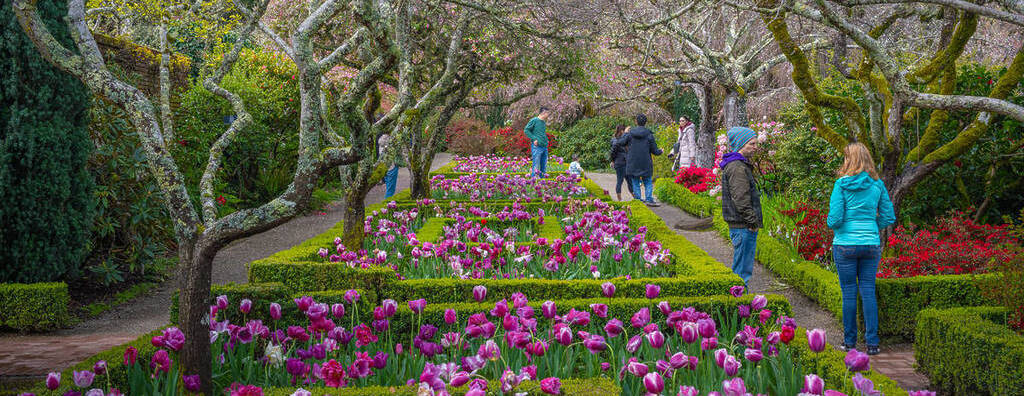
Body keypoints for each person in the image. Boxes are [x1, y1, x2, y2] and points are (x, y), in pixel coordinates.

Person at [826, 142, 895, 356]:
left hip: (845, 244)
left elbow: (835, 219)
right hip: (870, 244)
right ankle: (872, 343)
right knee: (868, 291)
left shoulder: (841, 184)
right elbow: (888, 216)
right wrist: (872, 226)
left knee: (849, 293)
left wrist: (838, 225)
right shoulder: (877, 185)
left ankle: (850, 343)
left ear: (849, 160)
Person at [720, 126, 762, 287]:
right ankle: (739, 300)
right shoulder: (737, 167)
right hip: (743, 226)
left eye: (756, 143)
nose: (755, 147)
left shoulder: (737, 164)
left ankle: (739, 298)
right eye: (752, 144)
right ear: (740, 144)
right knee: (741, 273)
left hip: (741, 225)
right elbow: (741, 199)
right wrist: (752, 222)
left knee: (742, 268)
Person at [618, 114, 662, 206]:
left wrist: (625, 133)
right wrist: (661, 151)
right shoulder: (649, 134)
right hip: (646, 162)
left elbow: (621, 143)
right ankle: (649, 199)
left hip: (633, 162)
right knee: (648, 181)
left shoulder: (630, 134)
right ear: (645, 122)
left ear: (636, 122)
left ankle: (638, 201)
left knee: (635, 181)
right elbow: (655, 151)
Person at [608, 124, 635, 201]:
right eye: (626, 131)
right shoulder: (616, 140)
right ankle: (619, 199)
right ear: (622, 131)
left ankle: (636, 198)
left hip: (626, 163)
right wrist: (612, 160)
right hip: (620, 163)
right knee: (620, 181)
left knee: (629, 181)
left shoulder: (623, 139)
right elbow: (613, 152)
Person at [523, 107, 551, 178]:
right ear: (543, 113)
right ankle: (533, 181)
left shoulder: (543, 122)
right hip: (537, 147)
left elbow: (541, 133)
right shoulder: (534, 120)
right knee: (536, 165)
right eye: (548, 113)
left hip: (544, 146)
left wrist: (546, 140)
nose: (548, 115)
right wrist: (534, 139)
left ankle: (542, 181)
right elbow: (526, 130)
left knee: (544, 166)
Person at [378, 133, 404, 199]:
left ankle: (387, 202)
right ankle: (387, 203)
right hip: (392, 167)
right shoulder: (390, 142)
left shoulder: (381, 142)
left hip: (384, 168)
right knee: (390, 190)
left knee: (388, 187)